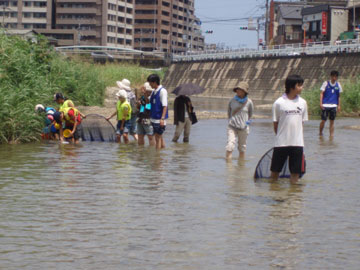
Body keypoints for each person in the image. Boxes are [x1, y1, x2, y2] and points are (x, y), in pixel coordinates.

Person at [270, 75, 308, 184]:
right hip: (281, 144)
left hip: (297, 144)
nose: (301, 87)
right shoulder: (278, 103)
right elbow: (275, 124)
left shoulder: (303, 103)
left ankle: (294, 199)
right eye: (299, 85)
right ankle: (274, 193)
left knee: (295, 174)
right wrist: (282, 137)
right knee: (275, 172)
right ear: (292, 86)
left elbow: (302, 123)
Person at [225, 82, 254, 160]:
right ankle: (229, 168)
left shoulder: (249, 102)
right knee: (230, 146)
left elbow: (250, 115)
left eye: (240, 89)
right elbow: (229, 113)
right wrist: (231, 122)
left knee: (242, 148)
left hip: (244, 128)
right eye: (237, 89)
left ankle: (241, 166)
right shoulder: (231, 101)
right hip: (232, 127)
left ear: (244, 91)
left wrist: (246, 125)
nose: (237, 91)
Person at [147, 74, 168, 150]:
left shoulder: (162, 91)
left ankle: (157, 158)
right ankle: (161, 153)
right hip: (153, 118)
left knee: (157, 138)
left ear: (154, 82)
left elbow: (165, 106)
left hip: (159, 119)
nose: (150, 85)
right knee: (159, 137)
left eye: (150, 83)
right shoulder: (153, 91)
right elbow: (148, 102)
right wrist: (144, 94)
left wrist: (162, 119)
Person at [319, 70, 342, 137]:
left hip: (334, 106)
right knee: (323, 120)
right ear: (331, 76)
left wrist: (339, 105)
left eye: (335, 76)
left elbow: (339, 96)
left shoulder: (338, 85)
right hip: (325, 105)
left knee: (332, 122)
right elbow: (321, 94)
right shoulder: (326, 83)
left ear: (337, 77)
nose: (334, 78)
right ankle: (320, 133)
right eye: (333, 76)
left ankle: (331, 136)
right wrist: (320, 103)